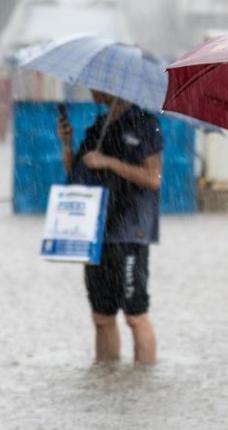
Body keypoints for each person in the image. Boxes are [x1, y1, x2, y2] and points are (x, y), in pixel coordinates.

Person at [57, 90, 163, 364]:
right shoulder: (99, 126)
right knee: (102, 317)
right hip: (96, 231)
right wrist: (67, 144)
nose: (92, 89)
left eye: (97, 85)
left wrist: (109, 162)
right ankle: (106, 380)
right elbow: (76, 172)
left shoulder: (145, 123)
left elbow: (153, 178)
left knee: (135, 315)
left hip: (130, 231)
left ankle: (143, 385)